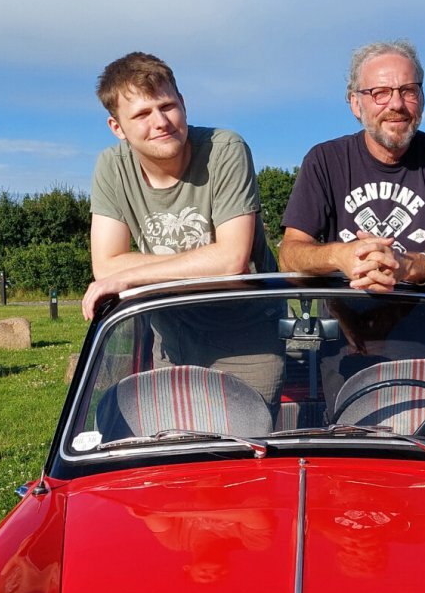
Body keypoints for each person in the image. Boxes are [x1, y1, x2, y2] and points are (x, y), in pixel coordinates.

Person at [82, 51, 282, 409]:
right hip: (169, 340)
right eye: (142, 114)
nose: (160, 121)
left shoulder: (225, 150)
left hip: (248, 340)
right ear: (117, 128)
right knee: (175, 449)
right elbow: (106, 266)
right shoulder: (111, 167)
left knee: (243, 453)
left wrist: (131, 277)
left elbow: (231, 259)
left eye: (167, 106)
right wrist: (198, 262)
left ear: (184, 105)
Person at [278, 39, 425, 292]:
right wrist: (339, 255)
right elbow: (289, 254)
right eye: (380, 93)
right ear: (356, 104)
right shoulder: (324, 160)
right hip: (343, 325)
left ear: (421, 98)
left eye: (408, 90)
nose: (396, 104)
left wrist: (407, 265)